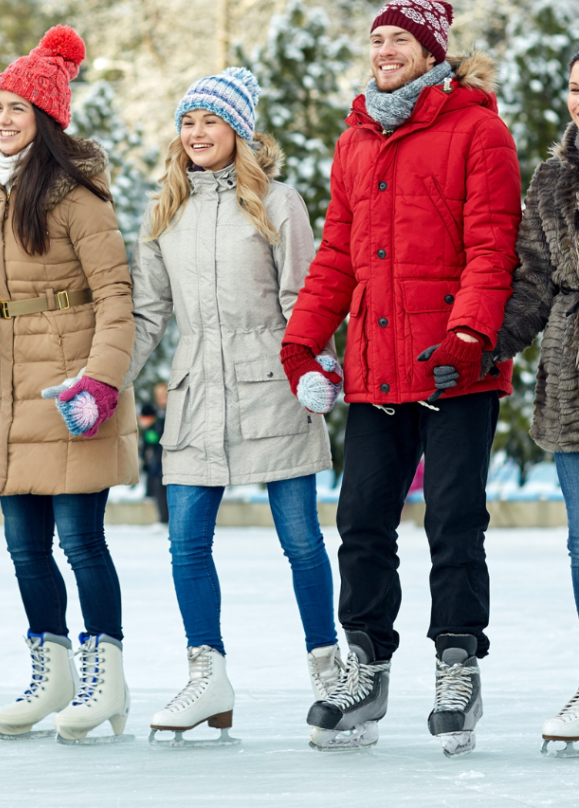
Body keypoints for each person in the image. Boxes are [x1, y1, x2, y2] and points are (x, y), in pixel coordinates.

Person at [281, 0, 522, 755]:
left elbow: (493, 246)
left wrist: (469, 334)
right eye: (376, 38)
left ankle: (457, 663)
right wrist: (303, 342)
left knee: (453, 522)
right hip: (377, 369)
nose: (384, 50)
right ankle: (367, 665)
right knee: (361, 523)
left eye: (399, 40)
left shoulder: (477, 129)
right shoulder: (357, 140)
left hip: (455, 369)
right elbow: (334, 255)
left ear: (431, 51)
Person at [0, 26, 139, 744]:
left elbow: (117, 297)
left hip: (73, 384)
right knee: (23, 546)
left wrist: (102, 383)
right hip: (14, 385)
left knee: (81, 540)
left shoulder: (78, 196)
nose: (4, 119)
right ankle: (48, 674)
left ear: (47, 118)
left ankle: (103, 677)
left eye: (19, 107)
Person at [123, 67, 341, 747]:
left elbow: (305, 298)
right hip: (194, 394)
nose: (196, 134)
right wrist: (108, 381)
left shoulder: (278, 204)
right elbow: (147, 313)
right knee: (186, 542)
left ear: (239, 131)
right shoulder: (165, 210)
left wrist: (316, 367)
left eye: (210, 121)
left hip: (273, 386)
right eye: (187, 122)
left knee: (301, 540)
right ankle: (207, 676)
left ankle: (328, 671)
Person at [493, 40, 579, 755]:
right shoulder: (551, 180)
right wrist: (488, 341)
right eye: (575, 88)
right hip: (574, 376)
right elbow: (533, 280)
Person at [138, 382, 169, 523]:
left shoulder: (174, 411)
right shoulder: (153, 412)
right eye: (160, 395)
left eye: (165, 395)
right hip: (157, 458)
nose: (162, 398)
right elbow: (148, 437)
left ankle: (168, 518)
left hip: (169, 456)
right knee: (159, 489)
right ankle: (163, 519)